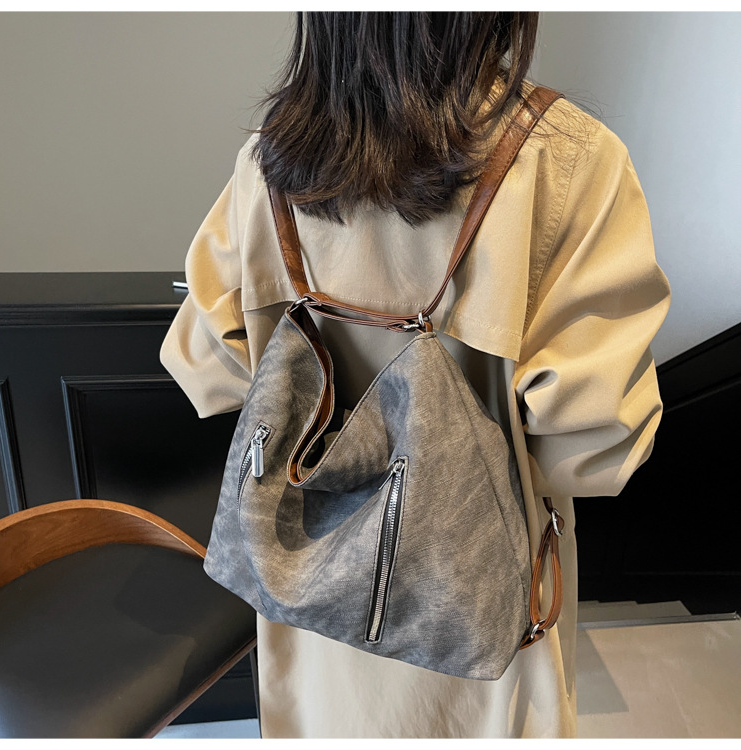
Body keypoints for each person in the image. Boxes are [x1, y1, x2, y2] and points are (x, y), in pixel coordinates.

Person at [159, 12, 670, 738]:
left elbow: (207, 364)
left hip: (311, 588)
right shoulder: (571, 160)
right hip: (476, 600)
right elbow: (593, 447)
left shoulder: (271, 159)